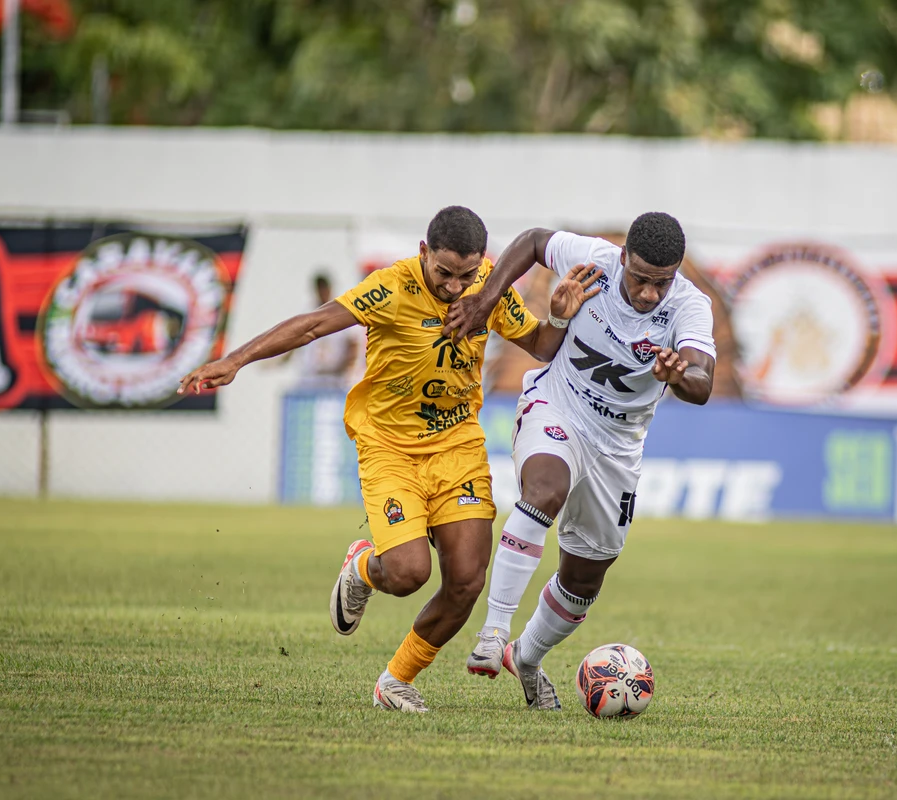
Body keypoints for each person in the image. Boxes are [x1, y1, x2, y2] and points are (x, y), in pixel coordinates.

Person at [179, 206, 602, 711]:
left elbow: (539, 344)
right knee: (406, 574)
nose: (453, 285)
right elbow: (315, 324)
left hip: (457, 446)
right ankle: (362, 568)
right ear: (423, 253)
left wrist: (558, 314)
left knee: (466, 580)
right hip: (390, 446)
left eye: (465, 274)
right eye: (444, 272)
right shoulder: (390, 287)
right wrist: (235, 360)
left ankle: (396, 681)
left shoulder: (488, 288)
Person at [443, 212, 716, 709]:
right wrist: (484, 301)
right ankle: (493, 631)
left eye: (662, 282)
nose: (651, 293)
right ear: (623, 258)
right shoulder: (593, 260)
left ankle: (524, 656)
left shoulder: (689, 306)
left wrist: (680, 375)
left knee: (586, 576)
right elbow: (530, 241)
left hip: (617, 447)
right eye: (640, 279)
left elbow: (703, 382)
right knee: (543, 491)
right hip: (558, 405)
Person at [287, 273, 362, 390]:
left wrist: (347, 369)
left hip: (336, 379)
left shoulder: (341, 310)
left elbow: (353, 343)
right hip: (311, 378)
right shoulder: (308, 312)